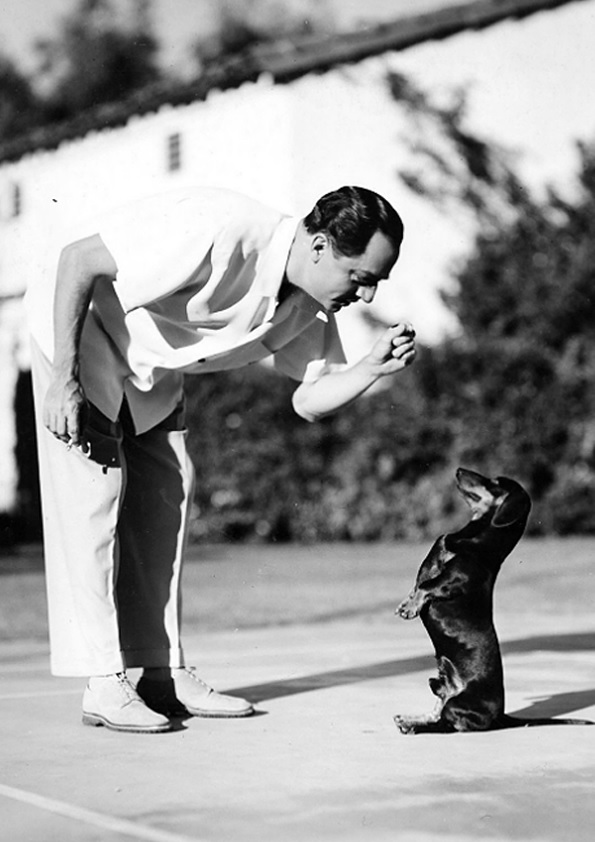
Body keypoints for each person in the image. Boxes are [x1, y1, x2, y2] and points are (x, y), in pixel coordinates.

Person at [25, 185, 416, 734]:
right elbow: (79, 260)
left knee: (169, 489)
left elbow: (308, 400)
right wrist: (63, 378)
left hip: (151, 364)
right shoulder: (222, 227)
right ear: (322, 245)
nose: (368, 295)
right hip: (80, 331)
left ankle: (159, 672)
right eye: (362, 277)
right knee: (94, 497)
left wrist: (371, 369)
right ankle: (102, 682)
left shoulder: (309, 301)